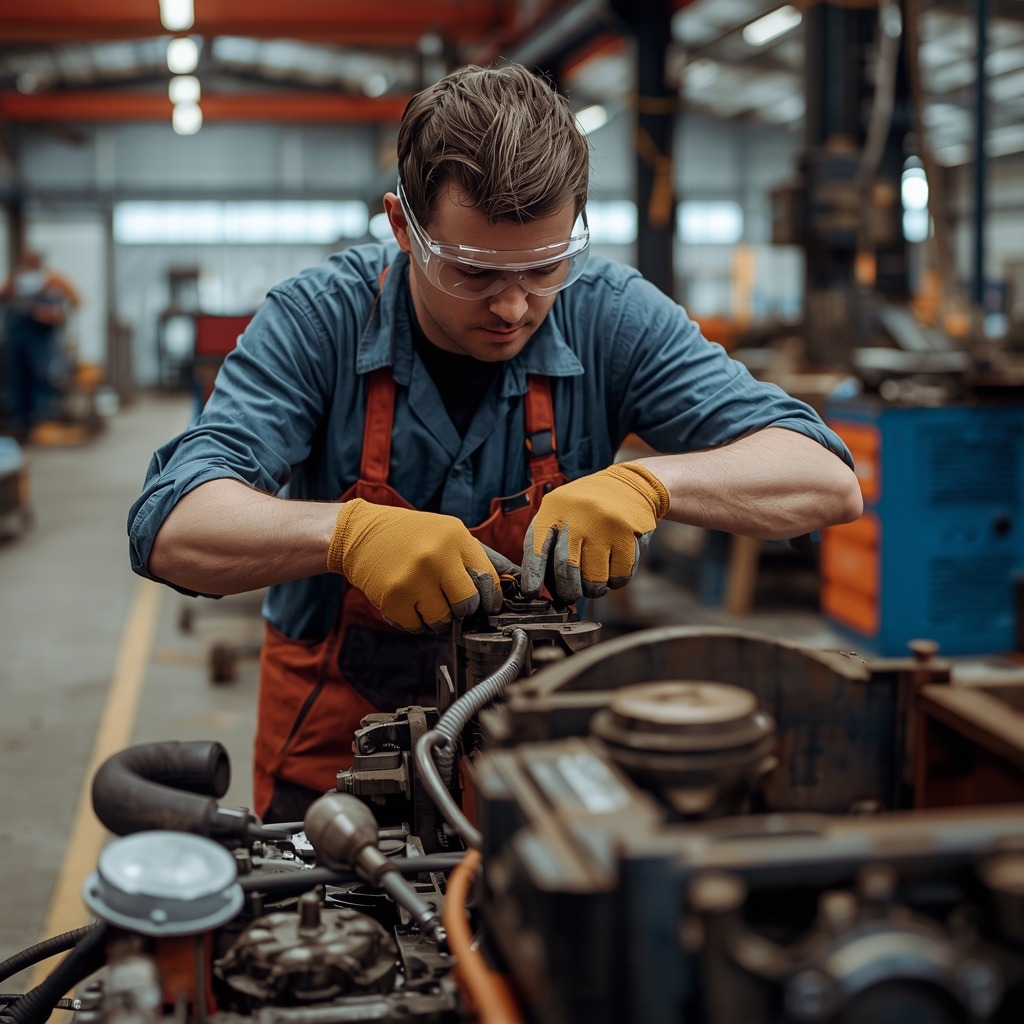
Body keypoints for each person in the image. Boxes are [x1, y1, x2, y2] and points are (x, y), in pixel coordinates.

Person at [128, 62, 863, 823]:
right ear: (402, 228)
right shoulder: (321, 321)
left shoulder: (610, 316)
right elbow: (173, 526)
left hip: (542, 763)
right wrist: (347, 535)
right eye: (473, 272)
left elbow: (825, 478)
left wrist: (651, 484)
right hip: (336, 769)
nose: (513, 307)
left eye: (545, 267)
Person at [2, 250, 80, 442]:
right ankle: (20, 424)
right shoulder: (14, 281)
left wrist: (51, 312)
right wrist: (12, 286)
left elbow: (75, 302)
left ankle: (42, 421)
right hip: (17, 341)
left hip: (41, 341)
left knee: (43, 377)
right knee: (18, 379)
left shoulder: (53, 280)